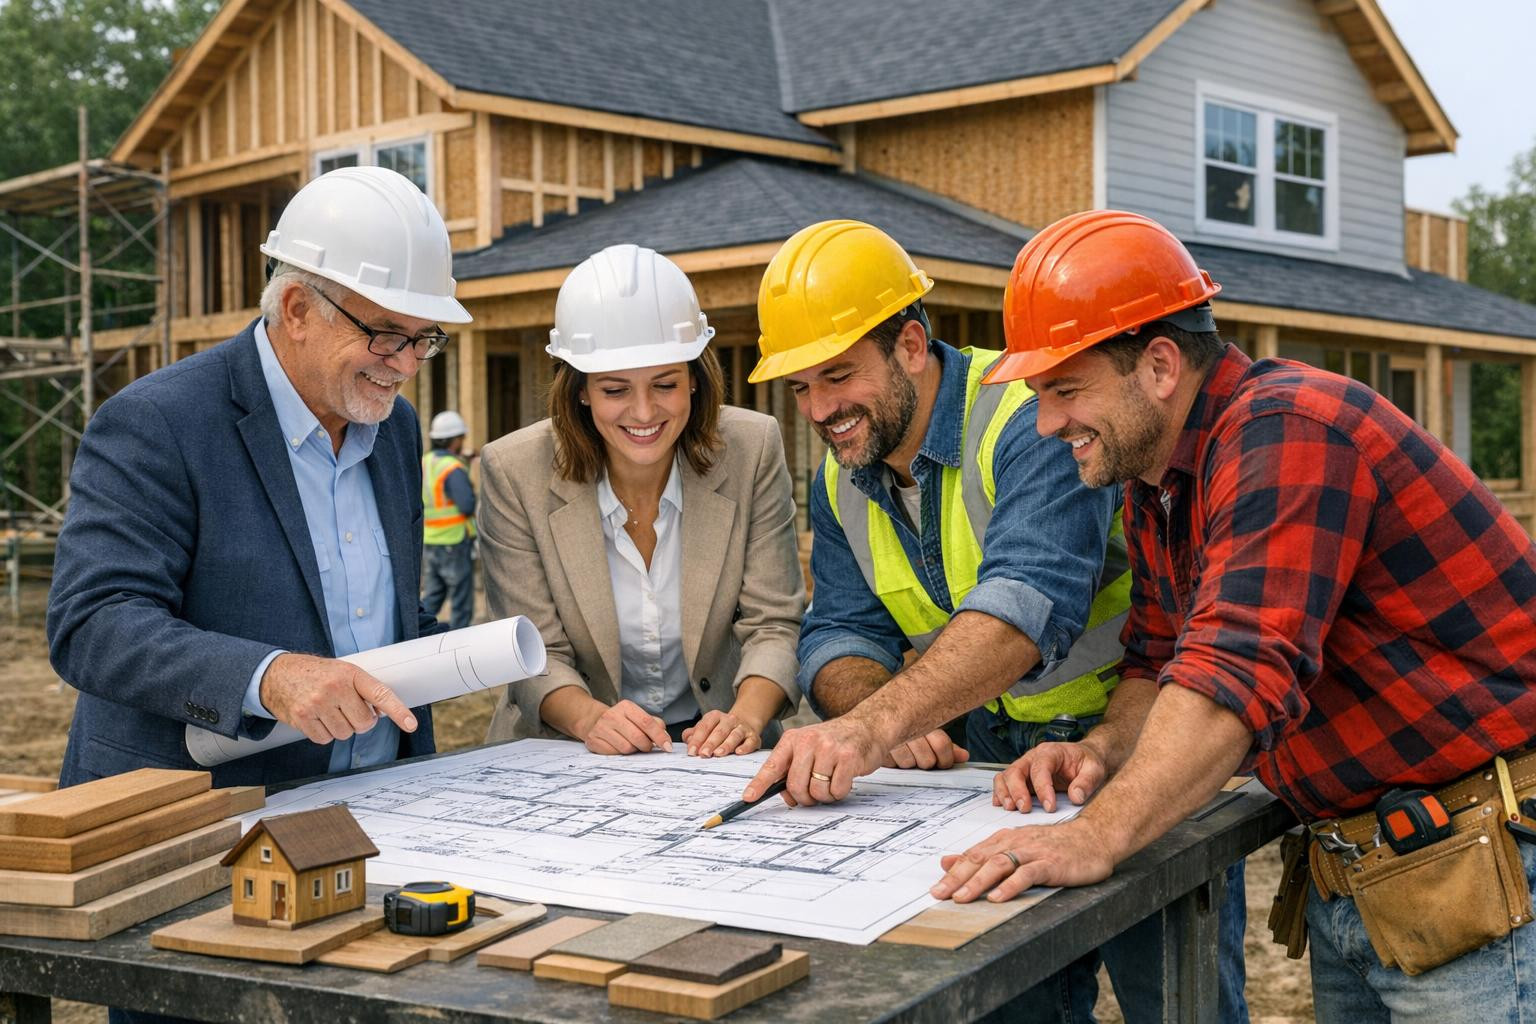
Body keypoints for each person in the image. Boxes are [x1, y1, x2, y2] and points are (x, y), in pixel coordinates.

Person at [934, 208, 1536, 1022]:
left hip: (1482, 864)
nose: (1047, 423)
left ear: (1158, 365)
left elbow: (1234, 671)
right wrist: (1104, 752)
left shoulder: (1285, 428)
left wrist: (1092, 836)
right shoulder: (1158, 481)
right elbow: (1156, 654)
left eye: (1066, 389)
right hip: (1366, 866)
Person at [740, 219, 1246, 1022]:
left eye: (837, 375)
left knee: (1175, 999)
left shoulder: (1031, 417)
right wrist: (881, 714)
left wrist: (871, 727)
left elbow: (1024, 602)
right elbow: (837, 636)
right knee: (1012, 1003)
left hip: (1128, 741)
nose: (820, 408)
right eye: (800, 387)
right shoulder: (842, 477)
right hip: (981, 773)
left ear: (910, 344)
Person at [47, 166, 472, 795]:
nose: (406, 364)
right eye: (386, 336)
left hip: (383, 797)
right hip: (203, 815)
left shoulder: (395, 428)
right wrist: (269, 677)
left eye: (423, 339)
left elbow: (378, 611)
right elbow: (94, 623)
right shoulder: (160, 422)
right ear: (298, 310)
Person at [479, 243, 804, 757]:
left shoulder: (752, 448)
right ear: (580, 390)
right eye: (615, 390)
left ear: (695, 380)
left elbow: (773, 622)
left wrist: (744, 717)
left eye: (665, 384)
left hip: (717, 746)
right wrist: (591, 719)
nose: (644, 411)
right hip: (569, 747)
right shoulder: (513, 471)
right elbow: (532, 650)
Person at [421, 408, 477, 630]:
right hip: (453, 541)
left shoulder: (425, 461)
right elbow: (466, 505)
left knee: (433, 595)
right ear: (454, 440)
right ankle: (459, 642)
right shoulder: (452, 468)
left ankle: (416, 636)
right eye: (461, 438)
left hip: (430, 539)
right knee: (461, 599)